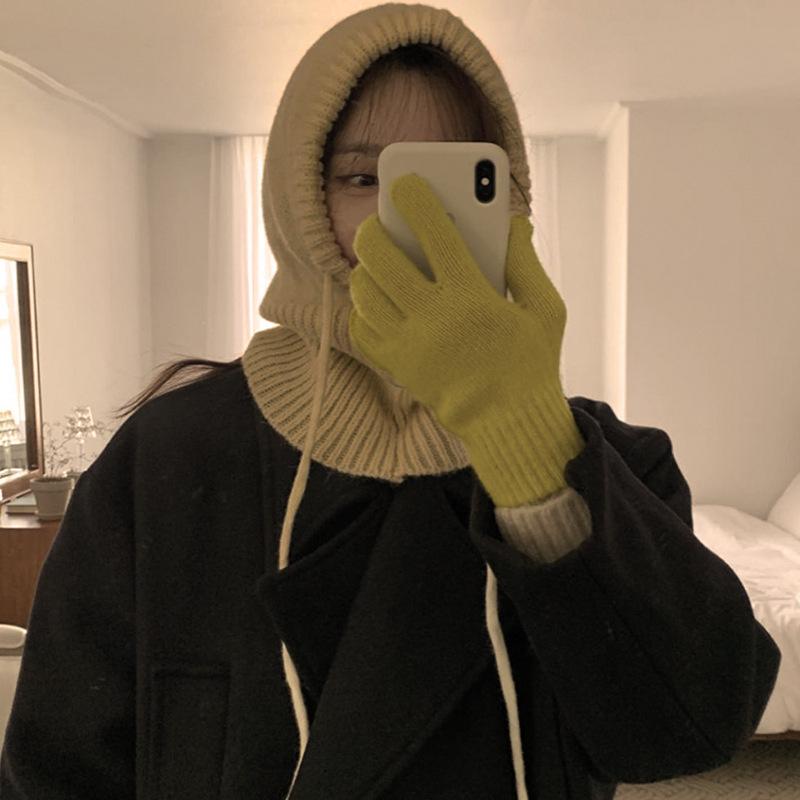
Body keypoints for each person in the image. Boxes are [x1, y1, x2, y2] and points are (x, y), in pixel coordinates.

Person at [0, 4, 781, 800]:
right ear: (303, 205)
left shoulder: (608, 462)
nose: (415, 217)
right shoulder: (171, 456)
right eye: (364, 178)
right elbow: (60, 767)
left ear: (510, 204)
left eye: (458, 181)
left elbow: (688, 729)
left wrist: (528, 445)